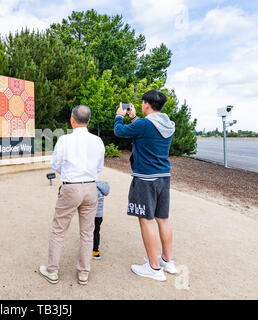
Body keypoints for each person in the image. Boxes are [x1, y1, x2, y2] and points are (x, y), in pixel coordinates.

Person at [114, 90, 178, 282]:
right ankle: (167, 261)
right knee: (163, 219)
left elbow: (120, 131)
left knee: (146, 220)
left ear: (147, 105)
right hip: (163, 177)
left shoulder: (144, 124)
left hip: (145, 178)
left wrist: (119, 116)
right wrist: (134, 118)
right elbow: (145, 132)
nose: (140, 107)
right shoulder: (167, 124)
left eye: (142, 104)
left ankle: (154, 267)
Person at [39, 105, 105, 286]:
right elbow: (99, 167)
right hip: (92, 187)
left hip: (71, 187)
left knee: (59, 230)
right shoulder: (98, 141)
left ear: (72, 119)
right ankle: (84, 272)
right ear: (89, 120)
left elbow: (55, 164)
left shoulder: (64, 140)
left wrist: (69, 175)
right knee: (87, 232)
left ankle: (52, 270)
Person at [92, 180, 110, 260]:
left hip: (91, 215)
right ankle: (96, 250)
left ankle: (93, 251)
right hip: (99, 215)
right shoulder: (102, 187)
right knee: (96, 232)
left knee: (89, 232)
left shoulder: (92, 188)